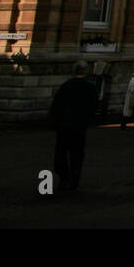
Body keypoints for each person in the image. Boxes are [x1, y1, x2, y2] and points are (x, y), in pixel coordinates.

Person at [49, 62, 99, 192]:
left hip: (64, 125)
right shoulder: (90, 87)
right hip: (79, 126)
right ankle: (74, 179)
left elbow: (56, 105)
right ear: (86, 72)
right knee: (77, 153)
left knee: (61, 153)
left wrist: (55, 122)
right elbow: (93, 107)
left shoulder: (67, 85)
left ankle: (63, 178)